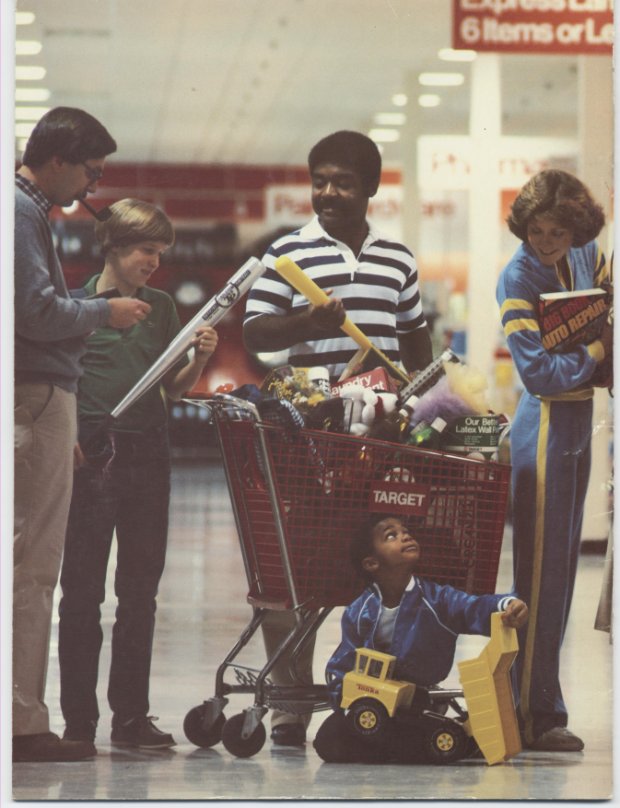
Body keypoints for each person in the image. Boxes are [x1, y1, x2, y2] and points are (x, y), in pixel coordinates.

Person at [243, 130, 433, 746]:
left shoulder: (398, 259)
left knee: (384, 567)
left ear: (370, 187)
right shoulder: (288, 254)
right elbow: (255, 333)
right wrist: (308, 319)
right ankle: (290, 705)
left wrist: (427, 405)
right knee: (292, 568)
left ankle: (376, 695)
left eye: (342, 183)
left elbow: (416, 342)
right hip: (305, 440)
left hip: (378, 441)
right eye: (319, 181)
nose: (327, 193)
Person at [14, 108, 151, 763]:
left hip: (35, 398)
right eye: (90, 172)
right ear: (58, 159)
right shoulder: (22, 212)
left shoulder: (27, 212)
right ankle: (22, 722)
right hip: (37, 394)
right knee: (34, 565)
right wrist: (104, 312)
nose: (92, 186)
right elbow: (36, 312)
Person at [57, 199, 218, 750]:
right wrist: (68, 437)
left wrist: (199, 359)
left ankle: (130, 719)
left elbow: (172, 389)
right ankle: (79, 723)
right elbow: (62, 382)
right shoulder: (76, 308)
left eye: (160, 253)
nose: (155, 262)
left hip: (149, 452)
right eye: (147, 250)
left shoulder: (163, 307)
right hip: (92, 454)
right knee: (81, 593)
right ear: (115, 246)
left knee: (139, 593)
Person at [496, 169, 612, 752]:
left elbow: (606, 304)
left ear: (577, 231)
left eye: (558, 232)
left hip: (577, 422)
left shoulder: (588, 254)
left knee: (561, 576)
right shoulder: (516, 277)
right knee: (539, 580)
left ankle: (544, 706)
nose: (545, 242)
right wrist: (598, 349)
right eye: (536, 230)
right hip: (541, 426)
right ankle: (530, 713)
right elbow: (539, 374)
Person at [313, 514, 528, 763]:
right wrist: (345, 700)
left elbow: (474, 607)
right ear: (371, 563)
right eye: (391, 535)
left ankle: (407, 745)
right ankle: (416, 748)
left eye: (406, 531)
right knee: (328, 739)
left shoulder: (437, 599)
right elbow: (344, 664)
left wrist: (507, 604)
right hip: (375, 701)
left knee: (402, 730)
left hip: (419, 701)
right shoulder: (358, 612)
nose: (405, 536)